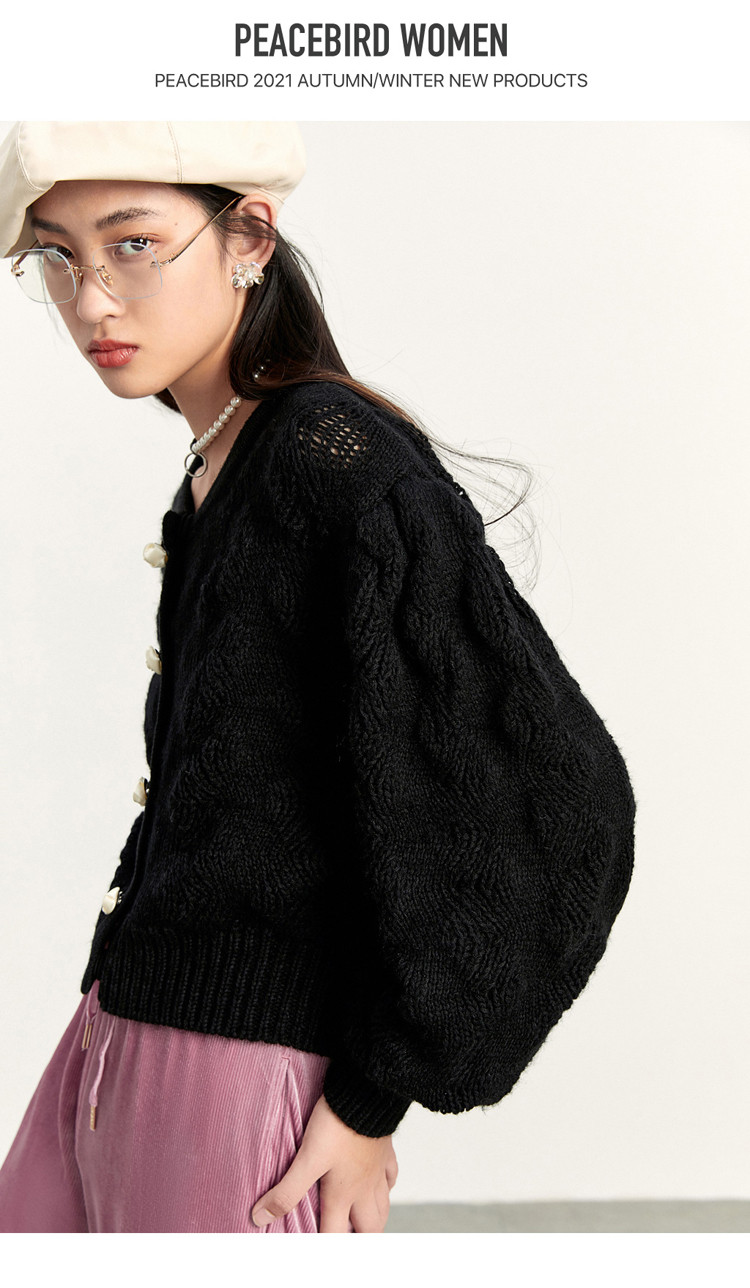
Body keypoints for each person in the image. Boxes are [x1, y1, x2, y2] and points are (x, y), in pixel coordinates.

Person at [0, 120, 637, 1235]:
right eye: (55, 255)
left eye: (133, 244)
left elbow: (561, 805)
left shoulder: (328, 459)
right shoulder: (222, 456)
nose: (90, 300)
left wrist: (370, 1094)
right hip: (117, 1036)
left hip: (238, 1091)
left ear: (250, 236)